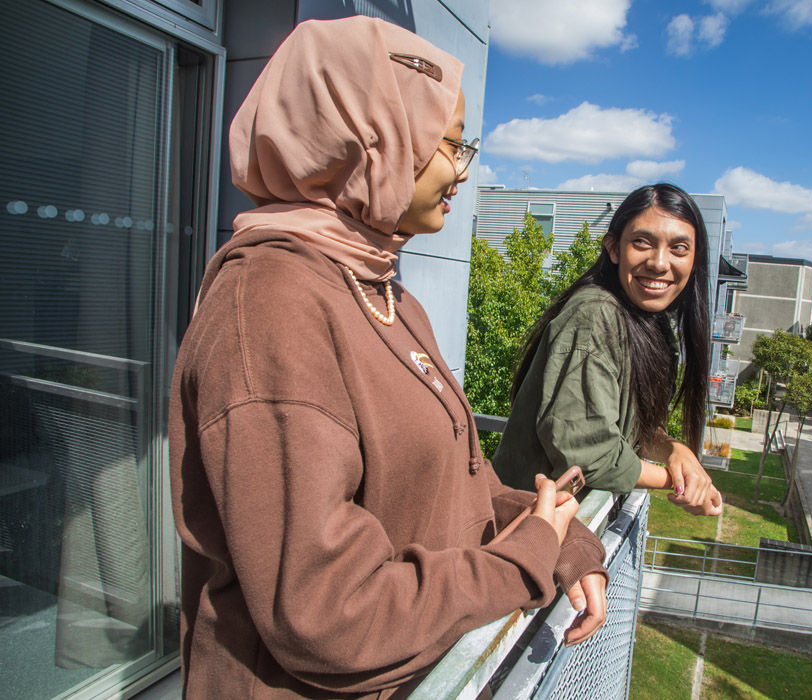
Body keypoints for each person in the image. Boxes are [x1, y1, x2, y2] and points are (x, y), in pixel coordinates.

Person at [169, 17, 607, 698]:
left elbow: (452, 486)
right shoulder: (271, 305)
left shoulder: (385, 293)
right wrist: (527, 559)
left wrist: (564, 542)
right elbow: (328, 614)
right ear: (368, 136)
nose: (463, 168)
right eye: (448, 142)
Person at [492, 184, 723, 516]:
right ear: (614, 249)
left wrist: (675, 450)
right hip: (524, 530)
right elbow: (588, 454)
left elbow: (627, 427)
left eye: (679, 248)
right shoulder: (595, 314)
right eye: (642, 242)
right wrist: (679, 481)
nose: (659, 263)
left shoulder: (646, 322)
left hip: (557, 531)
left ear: (694, 260)